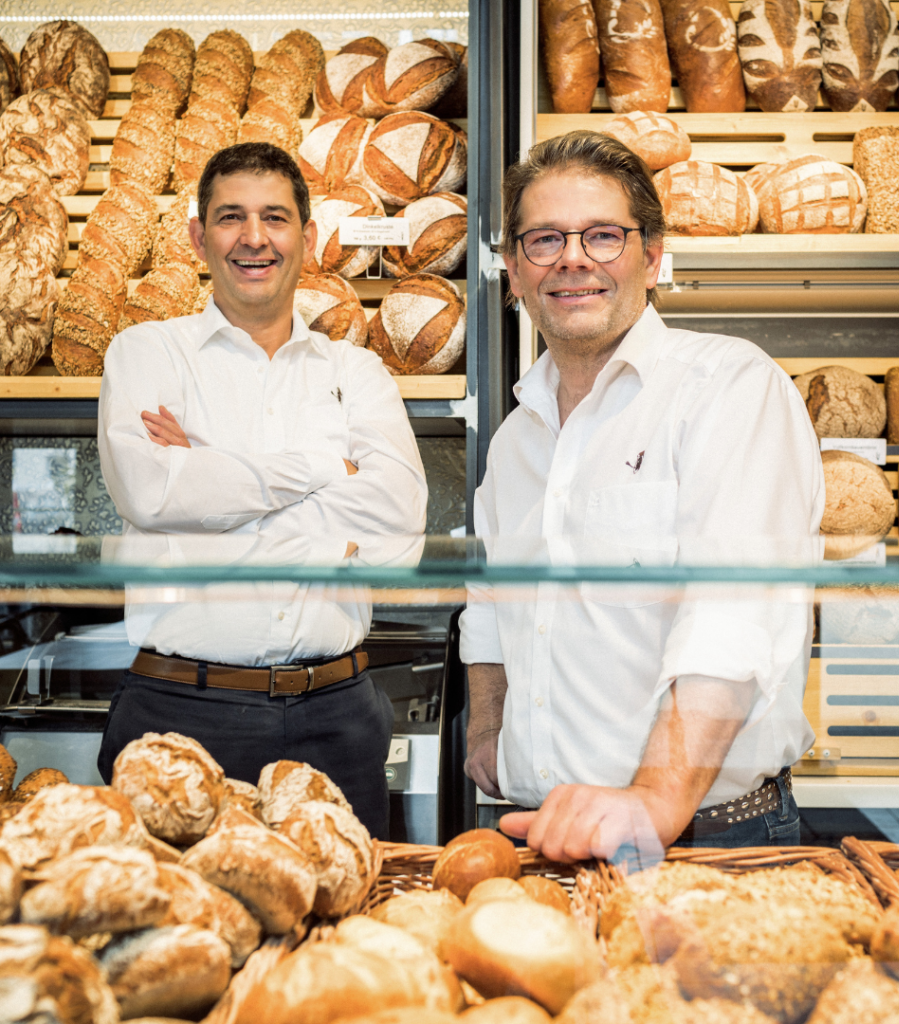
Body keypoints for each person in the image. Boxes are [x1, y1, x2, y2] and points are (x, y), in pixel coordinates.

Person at [459, 131, 824, 862]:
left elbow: (734, 613)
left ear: (652, 257)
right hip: (546, 834)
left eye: (603, 236)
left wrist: (656, 800)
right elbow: (491, 608)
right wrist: (488, 736)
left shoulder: (727, 388)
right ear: (512, 270)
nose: (573, 259)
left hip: (704, 841)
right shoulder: (516, 439)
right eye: (543, 240)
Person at [97, 143, 427, 838]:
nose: (254, 238)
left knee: (341, 936)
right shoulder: (146, 352)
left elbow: (396, 533)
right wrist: (323, 472)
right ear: (198, 236)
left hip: (338, 713)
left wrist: (215, 473)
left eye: (274, 218)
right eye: (230, 217)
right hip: (179, 712)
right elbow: (152, 495)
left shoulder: (357, 370)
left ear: (307, 240)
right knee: (172, 938)